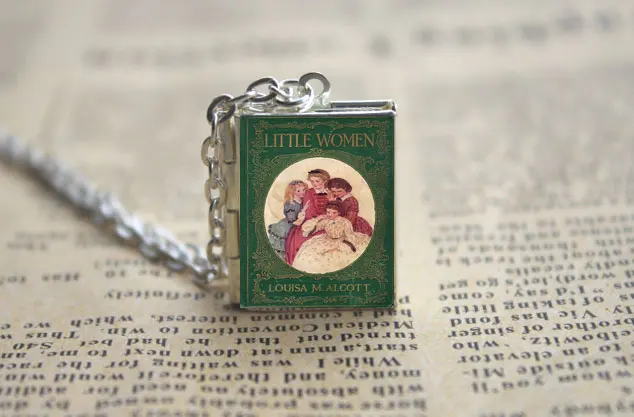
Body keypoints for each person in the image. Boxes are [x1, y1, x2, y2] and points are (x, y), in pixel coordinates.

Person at [292, 201, 371, 273]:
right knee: (309, 255)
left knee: (334, 258)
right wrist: (317, 219)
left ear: (339, 213)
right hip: (327, 240)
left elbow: (350, 237)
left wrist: (340, 248)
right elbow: (308, 229)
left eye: (334, 213)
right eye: (328, 212)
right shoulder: (326, 221)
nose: (330, 215)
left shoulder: (345, 222)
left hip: (342, 242)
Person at [285, 169, 331, 265]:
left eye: (317, 181)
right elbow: (309, 212)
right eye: (312, 181)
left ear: (325, 180)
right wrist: (319, 218)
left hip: (330, 218)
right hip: (313, 220)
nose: (314, 184)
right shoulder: (309, 193)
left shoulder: (330, 191)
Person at [267, 180, 308, 259]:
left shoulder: (303, 201)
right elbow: (292, 220)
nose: (302, 192)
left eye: (303, 190)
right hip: (288, 225)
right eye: (298, 191)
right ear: (292, 192)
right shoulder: (290, 204)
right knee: (285, 246)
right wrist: (300, 219)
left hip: (299, 222)